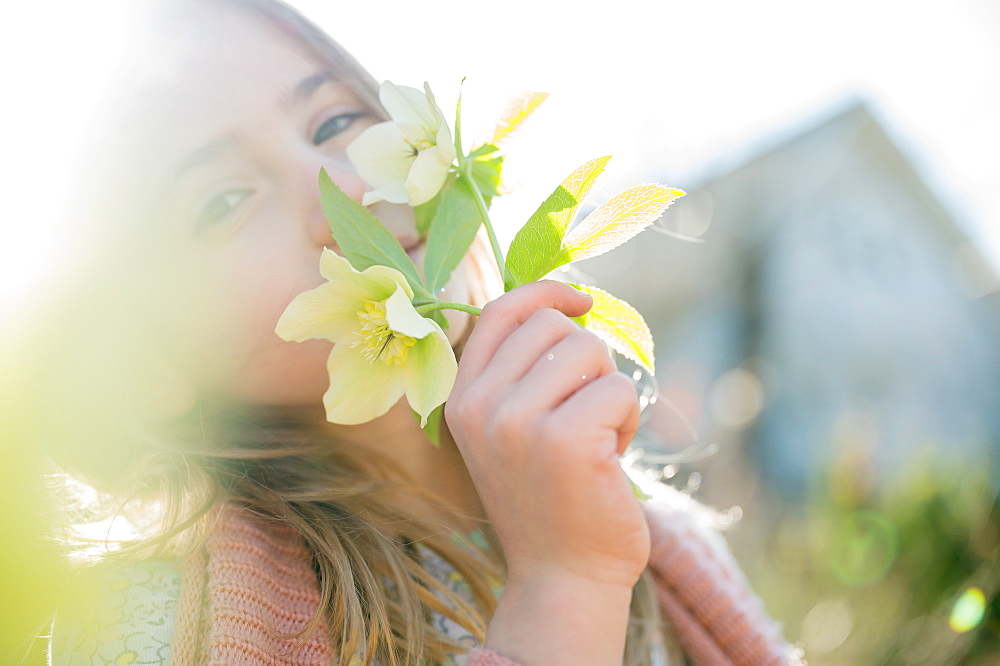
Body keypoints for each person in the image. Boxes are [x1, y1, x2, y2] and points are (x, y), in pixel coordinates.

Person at [28, 0, 800, 663]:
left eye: (336, 121)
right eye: (223, 201)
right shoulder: (150, 626)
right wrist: (562, 586)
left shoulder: (663, 540)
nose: (352, 187)